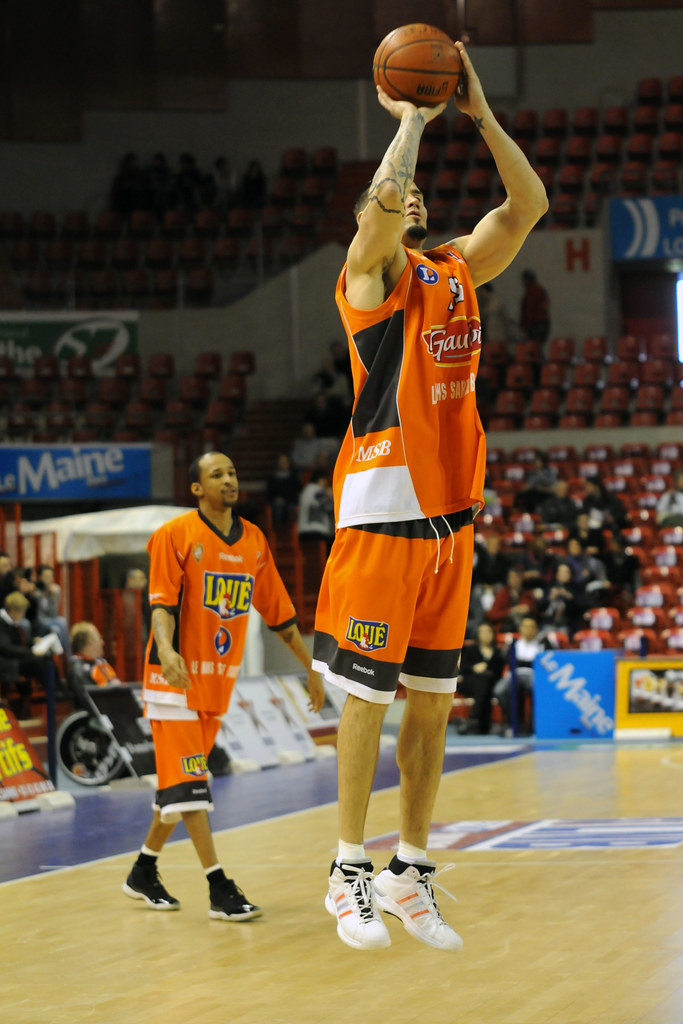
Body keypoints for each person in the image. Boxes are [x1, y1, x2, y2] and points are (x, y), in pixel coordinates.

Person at [311, 40, 547, 952]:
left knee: (433, 704)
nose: (403, 193)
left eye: (410, 187)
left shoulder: (455, 270)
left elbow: (526, 205)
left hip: (453, 522)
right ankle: (347, 870)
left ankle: (410, 869)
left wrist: (477, 113)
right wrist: (410, 116)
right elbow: (373, 218)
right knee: (365, 700)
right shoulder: (365, 283)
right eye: (389, 192)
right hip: (381, 512)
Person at [122, 451, 324, 921]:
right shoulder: (174, 535)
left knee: (177, 789)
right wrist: (167, 650)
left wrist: (311, 667)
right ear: (197, 489)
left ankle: (142, 871)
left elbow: (281, 616)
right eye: (217, 475)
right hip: (171, 680)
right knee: (191, 784)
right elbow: (161, 604)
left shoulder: (253, 541)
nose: (229, 480)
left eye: (232, 472)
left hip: (216, 685)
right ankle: (219, 886)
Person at [0, 590, 61, 719]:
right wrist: (31, 651)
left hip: (17, 657)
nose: (23, 615)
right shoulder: (2, 623)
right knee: (38, 662)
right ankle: (54, 693)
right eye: (21, 611)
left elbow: (18, 642)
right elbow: (5, 647)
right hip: (8, 662)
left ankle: (58, 690)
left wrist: (32, 641)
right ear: (13, 610)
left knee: (46, 659)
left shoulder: (12, 623)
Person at [493, 615, 555, 734]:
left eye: (532, 627)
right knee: (499, 690)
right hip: (514, 674)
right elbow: (508, 661)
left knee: (538, 689)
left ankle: (532, 725)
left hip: (535, 674)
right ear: (520, 629)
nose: (528, 630)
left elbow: (549, 661)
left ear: (536, 629)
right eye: (526, 627)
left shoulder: (542, 644)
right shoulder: (514, 644)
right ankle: (515, 722)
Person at [456, 621, 506, 735]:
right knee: (482, 682)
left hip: (490, 683)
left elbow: (499, 671)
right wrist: (474, 668)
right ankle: (478, 721)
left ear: (493, 634)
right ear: (477, 634)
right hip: (470, 683)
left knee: (485, 683)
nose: (486, 634)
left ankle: (474, 720)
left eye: (488, 631)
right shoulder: (470, 649)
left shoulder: (498, 652)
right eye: (482, 631)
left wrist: (486, 668)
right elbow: (463, 668)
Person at [68, 620, 120, 709]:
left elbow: (117, 686)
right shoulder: (78, 669)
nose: (102, 642)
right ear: (89, 641)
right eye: (99, 638)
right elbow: (90, 702)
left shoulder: (101, 663)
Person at [34, 563, 71, 657]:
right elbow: (38, 615)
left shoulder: (55, 590)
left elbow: (53, 614)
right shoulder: (35, 591)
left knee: (60, 624)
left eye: (51, 576)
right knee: (58, 625)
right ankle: (66, 656)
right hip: (39, 622)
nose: (49, 579)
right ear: (39, 577)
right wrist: (43, 594)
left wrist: (53, 597)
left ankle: (65, 656)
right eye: (46, 576)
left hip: (49, 620)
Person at [486, 567, 538, 632]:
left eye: (517, 577)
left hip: (524, 625)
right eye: (512, 577)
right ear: (508, 579)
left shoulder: (528, 594)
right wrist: (511, 611)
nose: (515, 580)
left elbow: (534, 611)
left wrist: (528, 608)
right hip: (505, 626)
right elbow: (492, 615)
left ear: (522, 579)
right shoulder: (502, 594)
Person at [297, 470, 335, 552]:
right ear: (321, 480)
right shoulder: (317, 490)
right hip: (315, 531)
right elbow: (330, 507)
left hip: (303, 531)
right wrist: (331, 495)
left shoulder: (306, 490)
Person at [265, 453, 301, 527]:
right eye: (281, 462)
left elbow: (297, 492)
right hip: (277, 504)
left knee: (291, 508)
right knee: (278, 506)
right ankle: (278, 529)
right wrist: (277, 499)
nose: (283, 464)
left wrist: (288, 499)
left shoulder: (294, 478)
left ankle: (289, 528)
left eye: (285, 462)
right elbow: (269, 494)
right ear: (277, 464)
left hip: (291, 502)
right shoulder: (272, 479)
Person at [519, 268, 550, 343]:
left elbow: (530, 310)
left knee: (533, 347)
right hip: (544, 323)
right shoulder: (540, 289)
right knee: (537, 347)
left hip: (536, 324)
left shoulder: (532, 292)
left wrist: (525, 327)